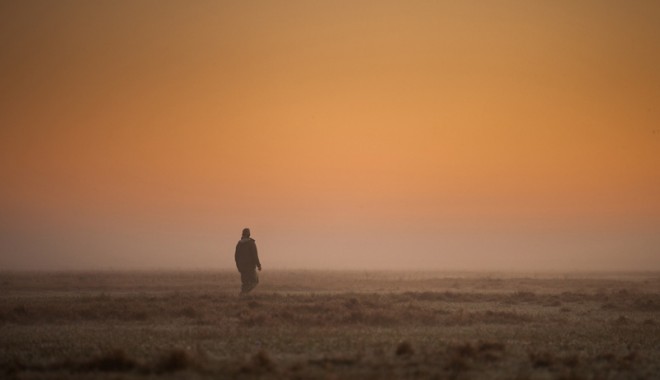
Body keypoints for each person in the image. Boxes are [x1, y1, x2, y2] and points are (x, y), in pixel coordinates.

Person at [235, 227, 262, 294]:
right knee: (254, 281)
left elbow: (236, 257)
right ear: (249, 234)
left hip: (242, 268)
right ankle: (243, 293)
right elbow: (255, 256)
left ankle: (243, 296)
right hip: (250, 267)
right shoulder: (251, 243)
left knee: (245, 283)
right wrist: (259, 265)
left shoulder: (239, 244)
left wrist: (238, 266)